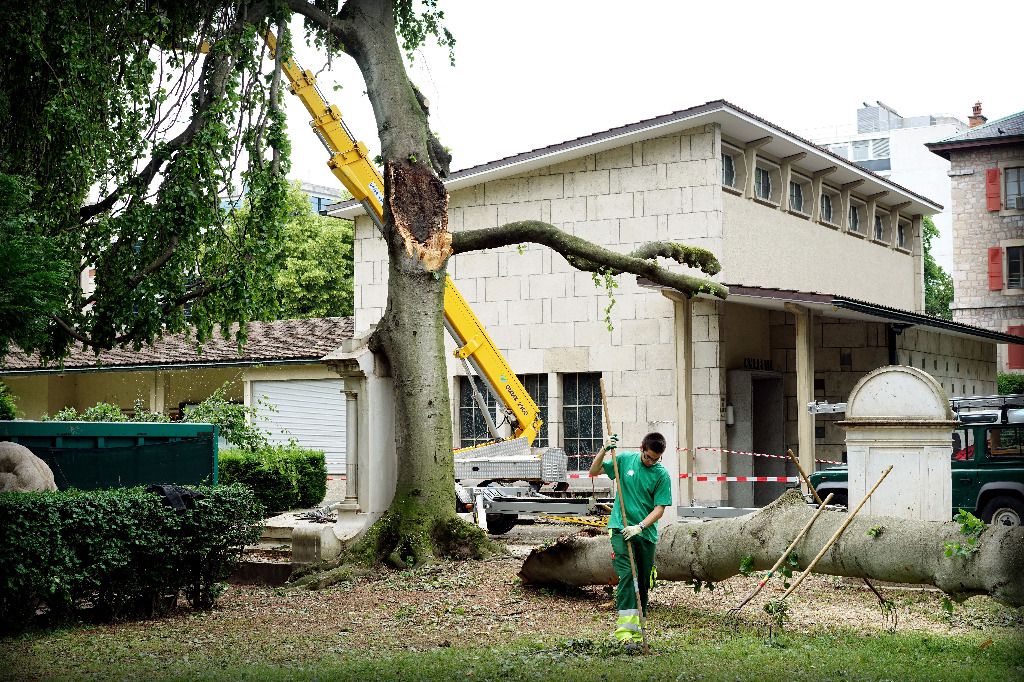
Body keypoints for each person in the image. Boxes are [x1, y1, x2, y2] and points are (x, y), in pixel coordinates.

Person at [589, 431, 672, 647]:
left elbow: (660, 509)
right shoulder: (624, 461)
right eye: (648, 457)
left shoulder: (661, 475)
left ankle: (637, 632)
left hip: (645, 534)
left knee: (643, 582)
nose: (651, 462)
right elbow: (594, 470)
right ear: (641, 449)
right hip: (620, 528)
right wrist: (604, 449)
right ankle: (624, 632)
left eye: (656, 459)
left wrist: (640, 526)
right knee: (628, 575)